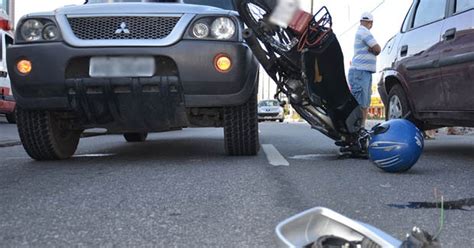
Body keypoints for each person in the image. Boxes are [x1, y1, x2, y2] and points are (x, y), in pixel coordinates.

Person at [348, 12, 381, 127]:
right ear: (370, 23)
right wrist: (373, 51)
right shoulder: (364, 31)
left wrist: (371, 50)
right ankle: (355, 130)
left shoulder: (361, 31)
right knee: (360, 104)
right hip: (360, 72)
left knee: (364, 104)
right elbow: (377, 49)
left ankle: (360, 129)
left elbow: (374, 49)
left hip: (363, 72)